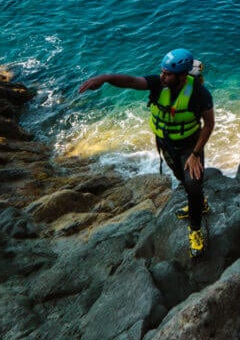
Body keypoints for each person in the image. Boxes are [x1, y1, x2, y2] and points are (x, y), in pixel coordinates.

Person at [78, 48, 214, 258]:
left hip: (189, 146)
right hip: (167, 144)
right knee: (182, 179)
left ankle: (195, 229)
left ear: (181, 76)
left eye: (168, 74)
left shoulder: (199, 93)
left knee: (193, 184)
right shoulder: (159, 84)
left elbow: (209, 125)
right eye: (162, 71)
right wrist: (104, 78)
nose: (163, 76)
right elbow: (130, 81)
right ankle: (198, 203)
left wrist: (196, 154)